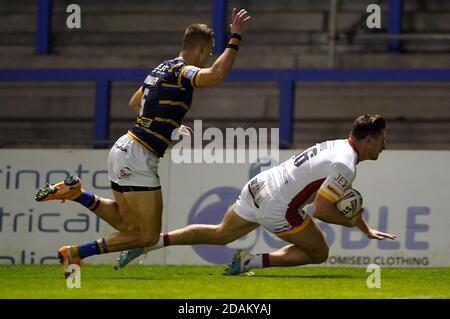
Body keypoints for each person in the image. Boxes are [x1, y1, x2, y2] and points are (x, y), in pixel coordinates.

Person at [34, 8, 251, 277]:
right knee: (147, 235)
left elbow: (135, 102)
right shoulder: (182, 71)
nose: (209, 56)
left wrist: (165, 125)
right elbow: (216, 75)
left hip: (124, 148)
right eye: (209, 51)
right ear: (204, 48)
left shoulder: (161, 68)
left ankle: (77, 195)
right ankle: (76, 252)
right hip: (138, 156)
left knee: (127, 224)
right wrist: (236, 38)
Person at [116, 114, 397, 274]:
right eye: (382, 139)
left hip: (260, 184)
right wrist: (350, 223)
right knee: (319, 252)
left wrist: (364, 226)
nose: (384, 145)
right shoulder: (345, 165)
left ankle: (150, 243)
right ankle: (249, 262)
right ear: (368, 140)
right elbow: (322, 210)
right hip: (278, 206)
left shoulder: (339, 147)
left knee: (220, 234)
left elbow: (339, 198)